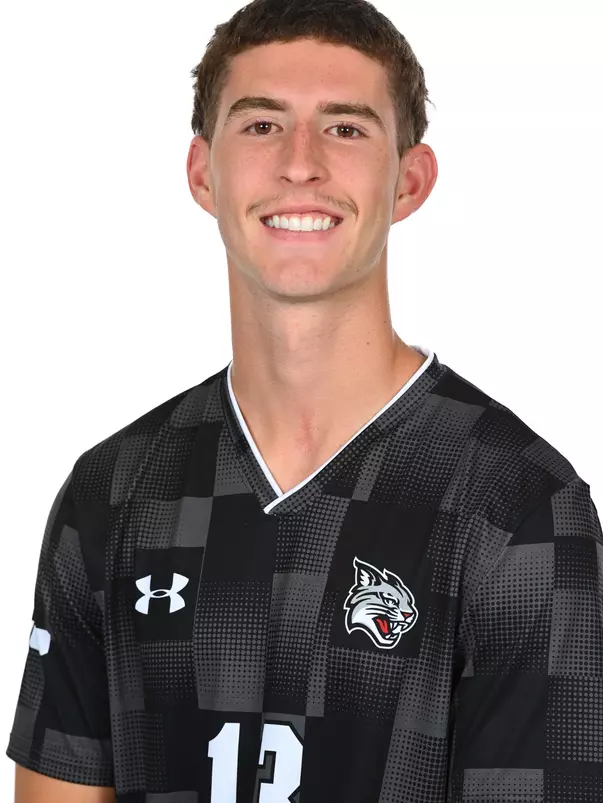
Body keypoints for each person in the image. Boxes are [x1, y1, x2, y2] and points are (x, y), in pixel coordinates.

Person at [7, 0, 603, 800]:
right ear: (201, 172)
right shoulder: (110, 491)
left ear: (409, 180)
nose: (300, 163)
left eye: (345, 128)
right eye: (260, 125)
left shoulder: (519, 505)